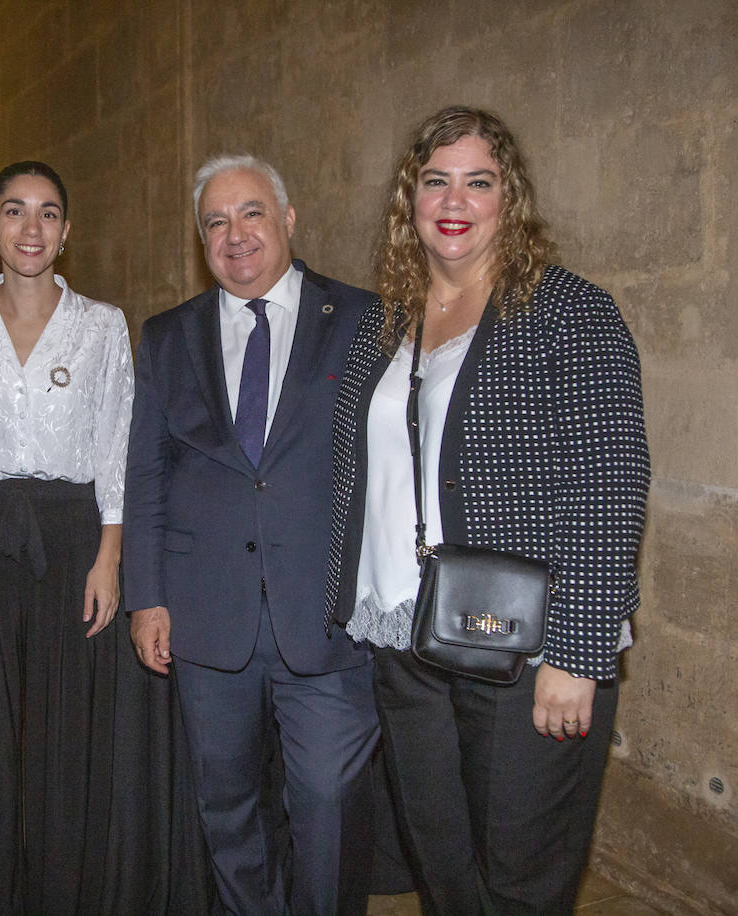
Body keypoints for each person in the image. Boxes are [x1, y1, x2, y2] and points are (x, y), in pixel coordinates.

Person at [326, 106, 650, 914]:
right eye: (436, 180)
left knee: (519, 874)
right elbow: (353, 475)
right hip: (405, 641)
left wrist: (578, 655)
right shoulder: (384, 326)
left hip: (526, 655)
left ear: (511, 199)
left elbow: (612, 486)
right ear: (411, 201)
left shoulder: (570, 313)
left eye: (479, 180)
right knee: (442, 863)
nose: (454, 198)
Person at [0, 161, 201, 915]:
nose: (30, 229)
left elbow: (116, 449)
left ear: (66, 232)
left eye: (47, 214)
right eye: (14, 211)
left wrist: (111, 559)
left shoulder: (101, 324)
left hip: (74, 538)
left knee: (64, 732)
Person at [124, 155, 380, 915]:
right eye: (216, 223)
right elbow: (146, 474)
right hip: (207, 617)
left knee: (328, 804)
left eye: (252, 214)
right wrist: (147, 598)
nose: (236, 236)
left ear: (289, 219)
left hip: (329, 615)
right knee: (227, 808)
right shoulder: (169, 336)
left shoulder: (365, 318)